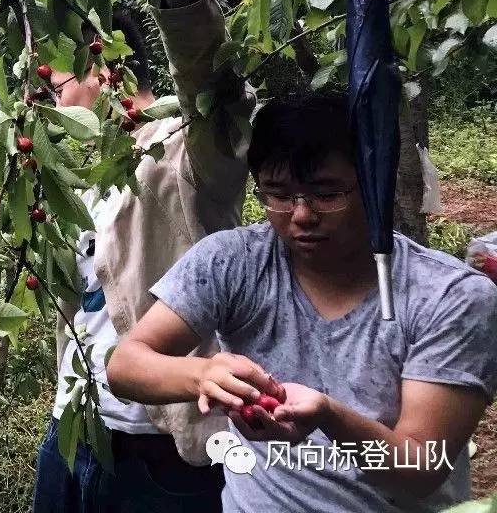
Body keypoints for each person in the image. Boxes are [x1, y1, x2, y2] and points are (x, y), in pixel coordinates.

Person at [0, 0, 253, 513]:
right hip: (74, 432)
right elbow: (75, 300)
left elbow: (215, 90)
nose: (40, 99)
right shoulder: (67, 173)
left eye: (53, 82)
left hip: (163, 450)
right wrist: (5, 229)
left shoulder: (180, 153)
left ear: (104, 68)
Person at [106, 90, 497, 512]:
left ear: (374, 183)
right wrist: (201, 373)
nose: (301, 215)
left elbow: (421, 468)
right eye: (277, 194)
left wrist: (329, 417)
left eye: (326, 194)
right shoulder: (232, 262)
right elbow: (126, 366)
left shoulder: (450, 297)